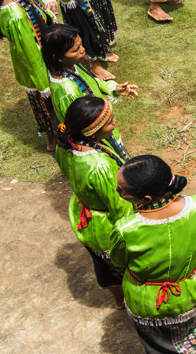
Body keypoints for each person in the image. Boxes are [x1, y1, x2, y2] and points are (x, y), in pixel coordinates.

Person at [112, 155, 196, 353]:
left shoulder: (126, 229)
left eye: (122, 191)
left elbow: (118, 260)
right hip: (195, 292)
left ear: (146, 198)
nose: (117, 191)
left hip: (148, 303)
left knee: (158, 345)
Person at [55, 96, 133, 309]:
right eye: (109, 122)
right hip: (105, 227)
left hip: (84, 215)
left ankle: (118, 301)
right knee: (128, 268)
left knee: (104, 268)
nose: (115, 123)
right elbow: (119, 206)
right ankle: (133, 300)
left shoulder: (66, 145)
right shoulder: (100, 166)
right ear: (91, 132)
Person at [0, 0, 58, 150]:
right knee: (44, 101)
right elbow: (29, 53)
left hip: (38, 56)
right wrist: (43, 83)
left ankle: (53, 138)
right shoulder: (14, 14)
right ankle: (53, 140)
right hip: (34, 64)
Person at [42, 24, 138, 131]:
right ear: (58, 57)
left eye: (81, 44)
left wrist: (114, 89)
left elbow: (90, 82)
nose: (82, 50)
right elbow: (81, 127)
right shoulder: (68, 92)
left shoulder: (70, 65)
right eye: (75, 50)